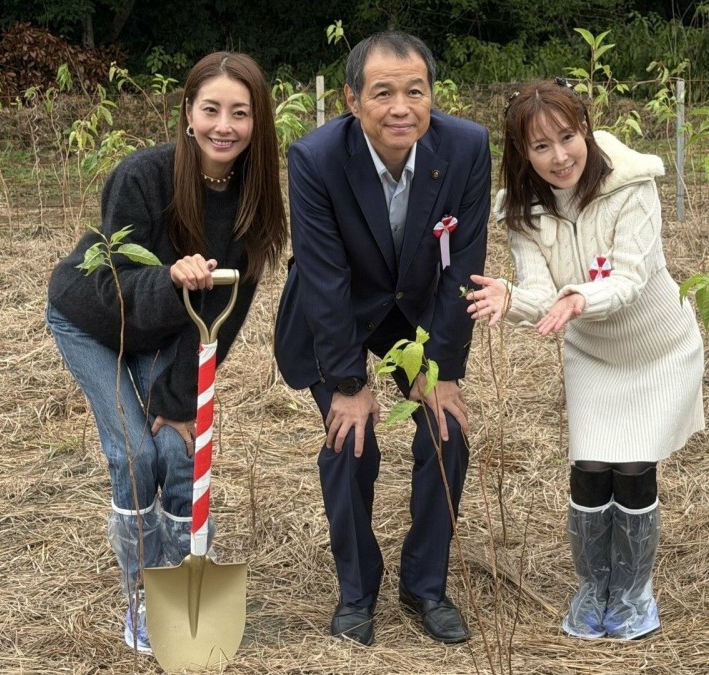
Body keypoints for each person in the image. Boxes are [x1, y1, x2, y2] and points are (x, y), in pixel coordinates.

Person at [44, 51, 287, 654]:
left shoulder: (255, 199)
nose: (223, 125)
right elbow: (112, 285)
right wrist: (171, 279)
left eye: (240, 112)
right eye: (211, 109)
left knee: (177, 455)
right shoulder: (142, 177)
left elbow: (224, 319)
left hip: (174, 330)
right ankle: (140, 602)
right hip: (95, 320)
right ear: (188, 113)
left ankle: (181, 589)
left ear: (258, 123)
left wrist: (181, 404)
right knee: (135, 458)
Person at [465, 78, 704, 640]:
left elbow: (628, 277)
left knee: (635, 464)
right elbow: (538, 291)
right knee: (592, 465)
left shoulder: (632, 186)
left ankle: (633, 592)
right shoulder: (523, 210)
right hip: (593, 353)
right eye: (539, 146)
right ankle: (593, 587)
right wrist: (508, 294)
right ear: (523, 153)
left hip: (657, 349)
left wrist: (576, 298)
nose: (558, 156)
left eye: (566, 137)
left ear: (586, 131)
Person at [273, 31, 491, 646]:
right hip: (336, 312)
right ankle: (356, 590)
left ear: (431, 95)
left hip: (416, 313)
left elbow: (462, 264)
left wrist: (441, 368)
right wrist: (350, 383)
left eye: (414, 91)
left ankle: (426, 585)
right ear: (351, 99)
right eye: (383, 93)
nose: (401, 107)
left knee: (445, 430)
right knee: (351, 441)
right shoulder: (315, 159)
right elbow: (323, 276)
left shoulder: (467, 148)